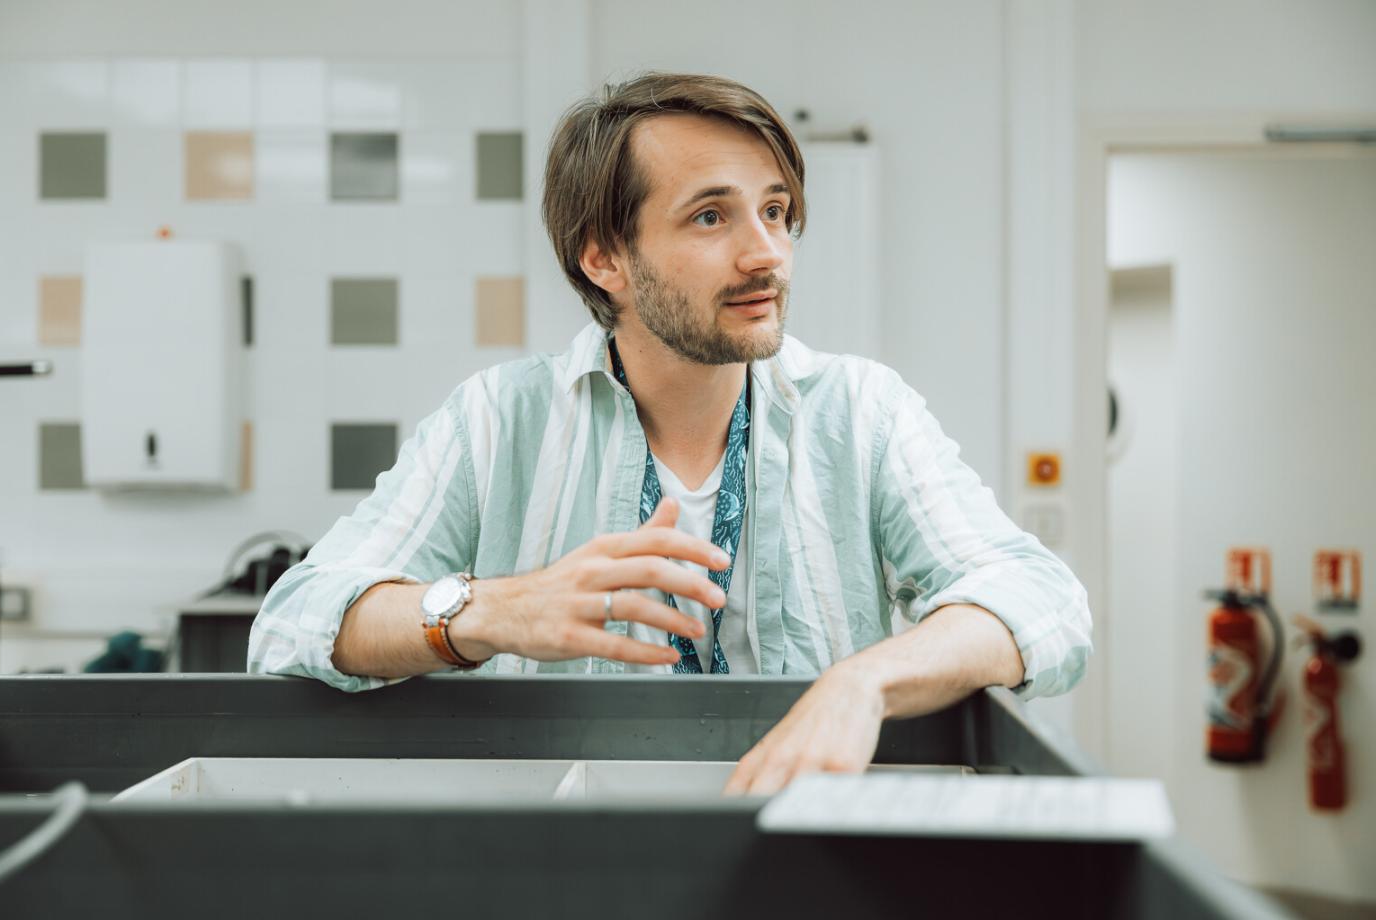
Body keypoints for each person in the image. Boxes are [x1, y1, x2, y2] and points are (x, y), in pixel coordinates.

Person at [249, 71, 1092, 795]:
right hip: (579, 878)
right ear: (603, 259)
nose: (768, 254)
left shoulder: (862, 413)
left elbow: (1041, 600)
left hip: (813, 874)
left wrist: (863, 681)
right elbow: (292, 626)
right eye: (710, 218)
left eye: (776, 210)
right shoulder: (495, 421)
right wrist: (492, 611)